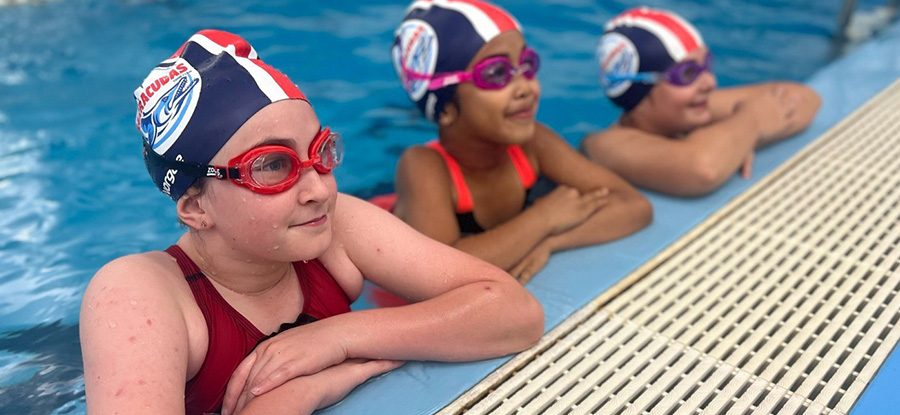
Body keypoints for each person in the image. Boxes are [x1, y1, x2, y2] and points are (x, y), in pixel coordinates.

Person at [79, 29, 544, 415]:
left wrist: (338, 337)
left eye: (320, 152)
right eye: (272, 166)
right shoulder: (138, 295)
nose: (319, 188)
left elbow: (516, 314)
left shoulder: (329, 227)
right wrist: (293, 398)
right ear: (197, 207)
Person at [389, 0, 653, 284]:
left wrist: (550, 242)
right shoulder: (424, 166)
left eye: (526, 65)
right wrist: (542, 219)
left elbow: (634, 205)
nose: (527, 87)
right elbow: (440, 275)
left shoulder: (533, 144)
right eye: (496, 73)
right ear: (446, 107)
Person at [582, 7, 822, 196]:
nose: (710, 81)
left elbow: (803, 96)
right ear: (640, 95)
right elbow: (703, 169)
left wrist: (735, 138)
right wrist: (751, 124)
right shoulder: (603, 146)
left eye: (706, 64)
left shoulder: (687, 111)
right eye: (687, 73)